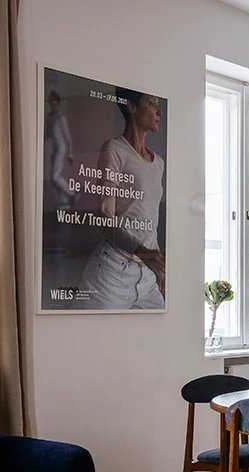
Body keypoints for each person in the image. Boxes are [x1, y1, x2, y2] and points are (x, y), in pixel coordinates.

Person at [77, 88, 166, 310]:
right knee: (91, 342)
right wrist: (146, 254)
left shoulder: (159, 163)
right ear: (132, 107)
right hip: (113, 274)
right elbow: (105, 218)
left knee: (158, 341)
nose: (159, 111)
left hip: (147, 277)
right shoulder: (114, 149)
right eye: (152, 103)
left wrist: (156, 262)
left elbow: (148, 217)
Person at [44, 91, 74, 207]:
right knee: (53, 178)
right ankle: (63, 199)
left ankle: (72, 193)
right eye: (50, 101)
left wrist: (71, 153)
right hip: (54, 148)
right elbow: (47, 134)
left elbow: (67, 136)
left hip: (61, 148)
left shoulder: (60, 118)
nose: (52, 103)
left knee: (55, 176)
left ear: (57, 102)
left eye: (54, 100)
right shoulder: (49, 118)